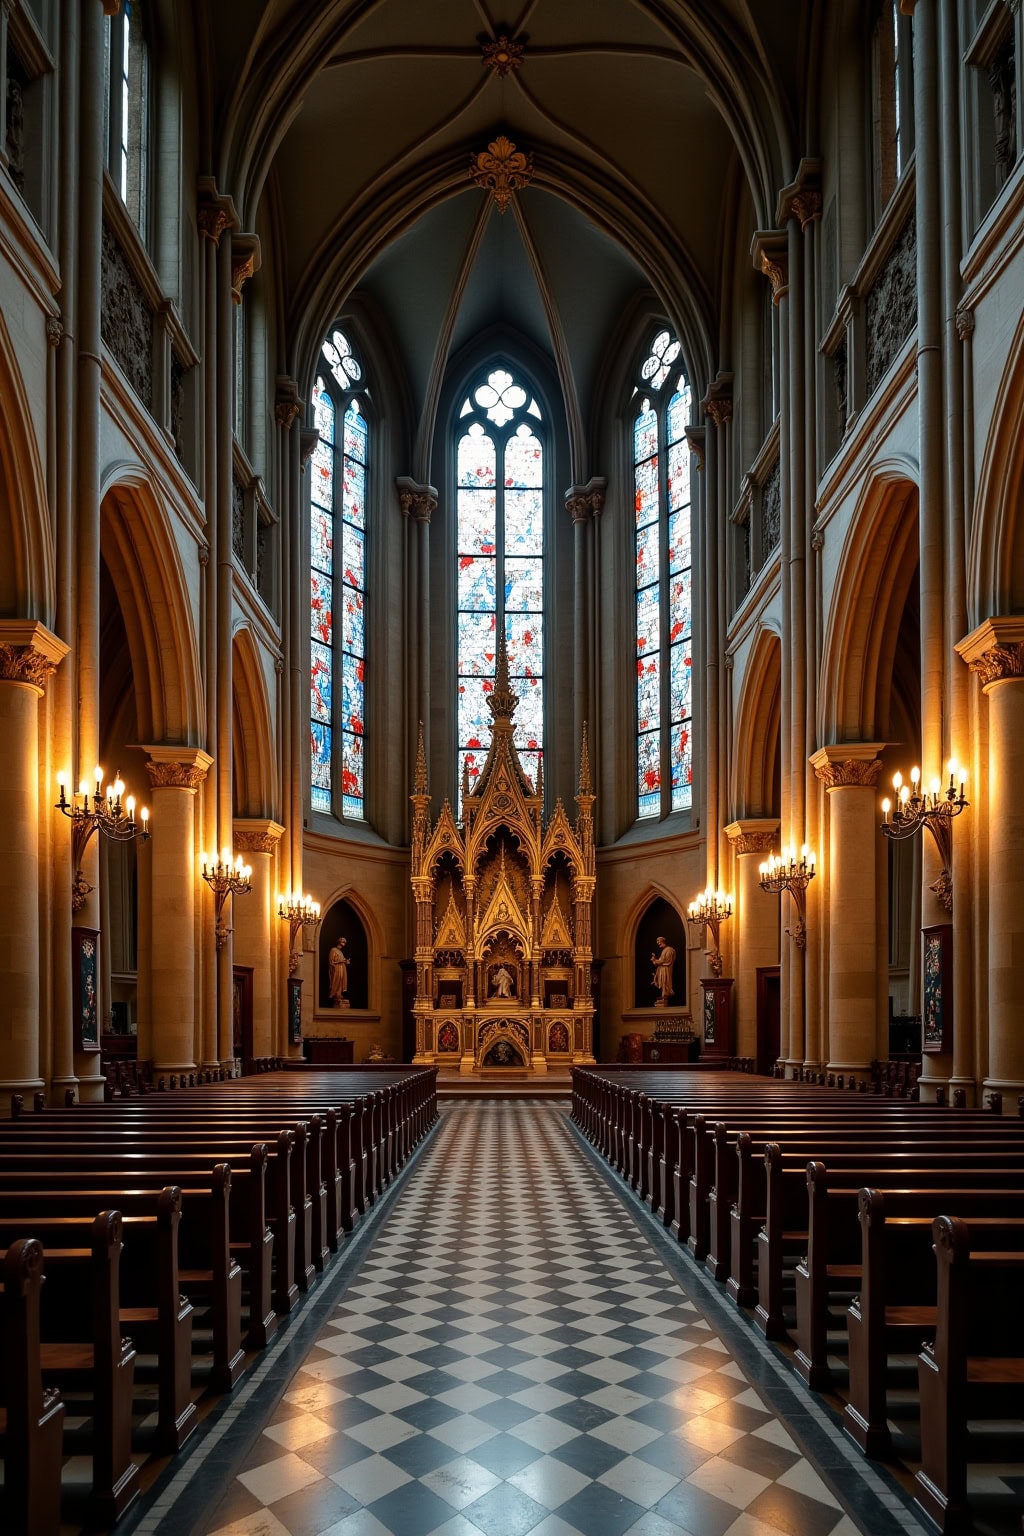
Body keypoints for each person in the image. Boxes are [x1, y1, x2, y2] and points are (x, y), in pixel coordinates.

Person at [651, 936, 676, 1005]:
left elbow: (665, 961)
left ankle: (665, 996)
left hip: (666, 970)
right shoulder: (664, 950)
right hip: (662, 969)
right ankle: (663, 997)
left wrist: (655, 960)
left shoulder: (669, 950)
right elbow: (661, 961)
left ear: (662, 941)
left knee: (665, 982)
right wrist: (655, 960)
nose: (658, 943)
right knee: (663, 982)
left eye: (659, 942)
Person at [328, 938, 349, 1006]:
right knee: (336, 981)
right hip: (336, 968)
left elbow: (342, 960)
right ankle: (335, 994)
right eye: (343, 942)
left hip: (342, 968)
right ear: (339, 942)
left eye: (345, 942)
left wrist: (346, 962)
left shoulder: (340, 952)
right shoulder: (333, 950)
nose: (344, 943)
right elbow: (331, 962)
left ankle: (339, 994)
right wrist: (341, 961)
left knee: (341, 981)